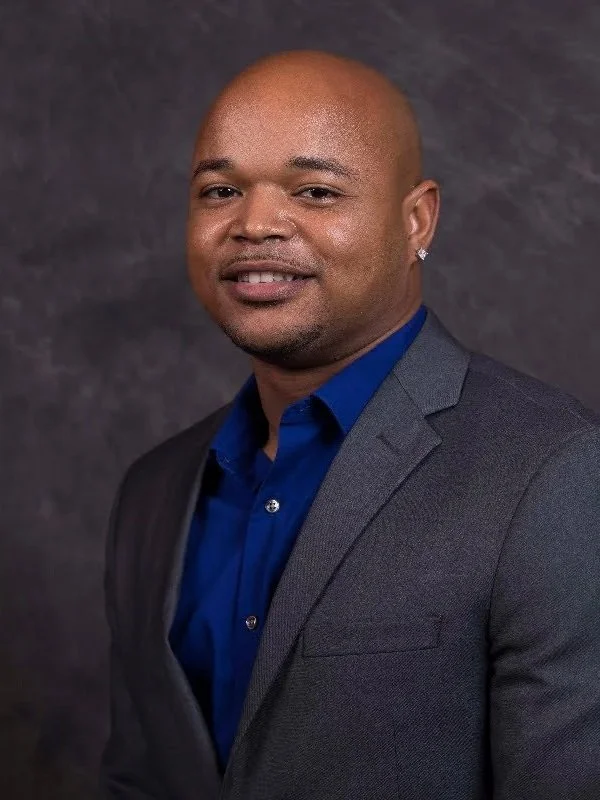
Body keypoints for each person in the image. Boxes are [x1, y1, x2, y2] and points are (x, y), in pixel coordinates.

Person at [99, 50, 600, 800]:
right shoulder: (154, 490)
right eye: (221, 189)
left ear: (416, 219)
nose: (255, 223)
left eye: (316, 190)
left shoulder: (551, 470)